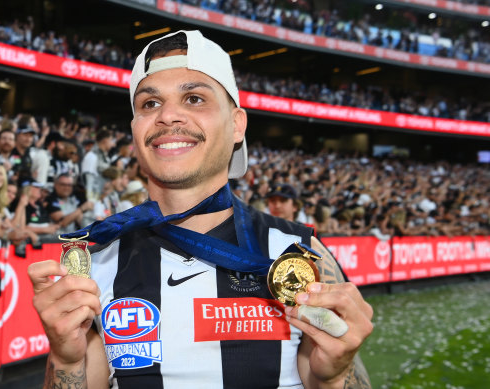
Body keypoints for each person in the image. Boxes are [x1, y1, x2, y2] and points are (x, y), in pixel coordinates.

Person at [29, 30, 372, 388]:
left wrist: (333, 377)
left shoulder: (302, 256)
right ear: (134, 130)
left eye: (194, 98)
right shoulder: (96, 264)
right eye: (149, 104)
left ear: (237, 124)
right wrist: (64, 357)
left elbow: (342, 376)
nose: (168, 115)